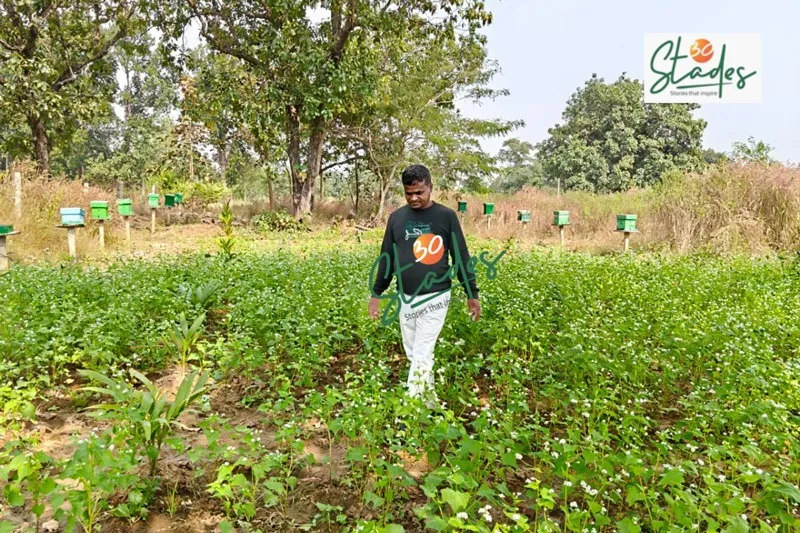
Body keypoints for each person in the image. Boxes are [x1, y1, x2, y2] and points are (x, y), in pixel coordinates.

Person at [368, 164, 481, 406]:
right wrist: (377, 293)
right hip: (406, 297)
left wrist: (472, 293)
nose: (414, 198)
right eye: (409, 193)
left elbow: (461, 257)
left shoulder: (446, 217)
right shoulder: (397, 219)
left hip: (435, 296)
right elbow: (387, 258)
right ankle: (429, 403)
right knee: (414, 353)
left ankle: (411, 410)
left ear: (430, 187)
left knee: (421, 353)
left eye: (419, 192)